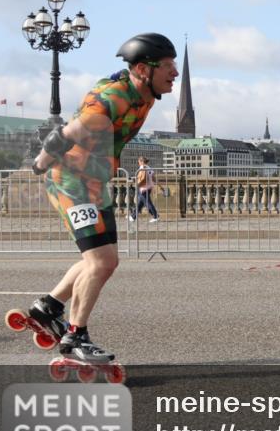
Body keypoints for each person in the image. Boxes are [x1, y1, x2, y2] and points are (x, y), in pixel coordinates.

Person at [26, 33, 178, 364]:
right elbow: (63, 135)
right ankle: (75, 336)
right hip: (71, 183)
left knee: (104, 259)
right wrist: (38, 166)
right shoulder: (112, 100)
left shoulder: (145, 94)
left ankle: (48, 307)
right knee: (101, 262)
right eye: (168, 66)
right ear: (143, 69)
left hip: (95, 184)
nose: (175, 73)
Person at [131, 156, 159, 222]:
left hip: (143, 188)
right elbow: (153, 178)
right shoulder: (149, 168)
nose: (138, 163)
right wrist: (159, 185)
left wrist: (137, 181)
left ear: (142, 161)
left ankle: (156, 216)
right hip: (149, 188)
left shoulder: (142, 167)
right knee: (140, 203)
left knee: (148, 203)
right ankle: (133, 216)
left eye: (139, 162)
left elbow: (142, 178)